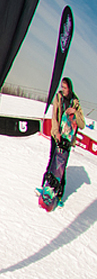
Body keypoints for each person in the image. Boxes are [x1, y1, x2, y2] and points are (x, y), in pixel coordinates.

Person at [42, 77, 86, 205]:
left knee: (61, 167)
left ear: (70, 88)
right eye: (62, 87)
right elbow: (55, 117)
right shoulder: (58, 98)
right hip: (57, 135)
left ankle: (59, 195)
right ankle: (45, 188)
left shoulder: (75, 102)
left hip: (67, 139)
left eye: (65, 88)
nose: (63, 90)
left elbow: (82, 124)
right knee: (52, 161)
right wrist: (56, 133)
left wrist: (75, 112)